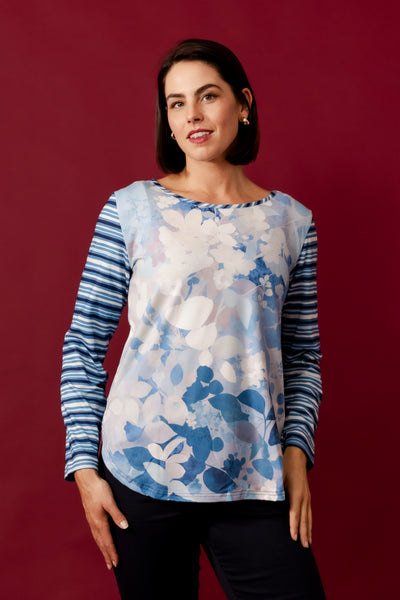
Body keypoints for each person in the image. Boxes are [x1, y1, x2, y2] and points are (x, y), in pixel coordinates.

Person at [61, 38, 326, 599]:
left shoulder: (292, 222)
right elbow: (83, 343)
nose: (192, 115)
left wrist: (297, 452)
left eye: (208, 96)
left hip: (256, 476)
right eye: (176, 103)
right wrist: (84, 467)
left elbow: (303, 356)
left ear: (243, 104)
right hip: (142, 472)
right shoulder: (131, 209)